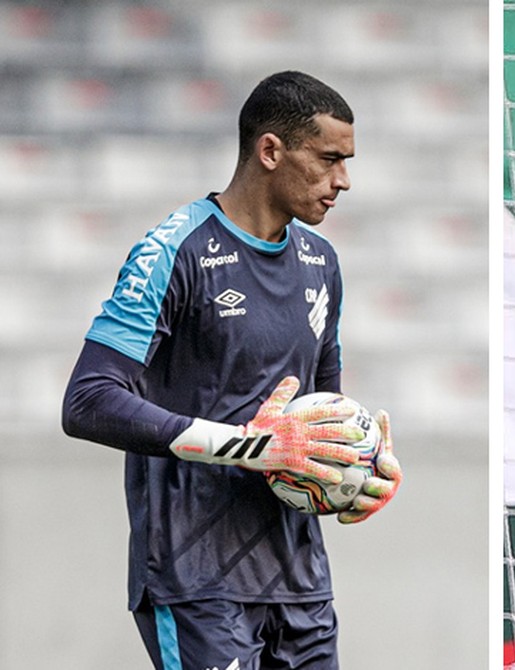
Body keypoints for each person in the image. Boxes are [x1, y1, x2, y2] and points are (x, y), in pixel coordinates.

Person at [62, 70, 402, 670]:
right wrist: (254, 450)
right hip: (194, 579)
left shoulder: (321, 262)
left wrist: (357, 471)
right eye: (328, 160)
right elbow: (88, 400)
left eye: (346, 162)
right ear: (270, 150)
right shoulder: (173, 251)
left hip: (300, 583)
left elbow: (321, 413)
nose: (343, 181)